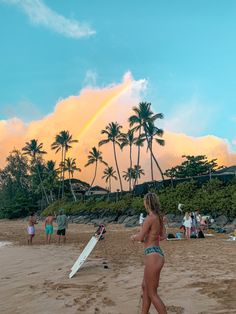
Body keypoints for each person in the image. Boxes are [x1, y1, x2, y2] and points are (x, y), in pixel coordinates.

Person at [131, 193, 167, 314]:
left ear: (147, 203)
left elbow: (140, 237)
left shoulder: (149, 218)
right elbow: (162, 236)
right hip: (157, 254)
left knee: (152, 293)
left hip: (152, 256)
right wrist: (148, 235)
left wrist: (133, 236)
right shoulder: (158, 218)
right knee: (145, 287)